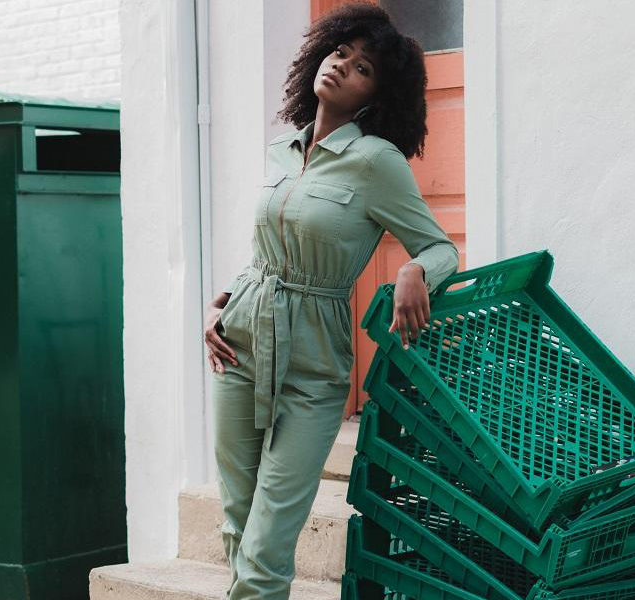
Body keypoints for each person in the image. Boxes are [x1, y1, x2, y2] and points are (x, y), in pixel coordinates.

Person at [202, 3, 459, 599]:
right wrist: (223, 304)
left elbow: (441, 249)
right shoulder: (279, 153)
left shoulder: (377, 162)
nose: (342, 66)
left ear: (376, 95)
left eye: (363, 67)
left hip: (313, 367)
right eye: (340, 52)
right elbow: (266, 250)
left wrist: (417, 267)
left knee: (266, 546)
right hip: (239, 348)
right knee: (237, 523)